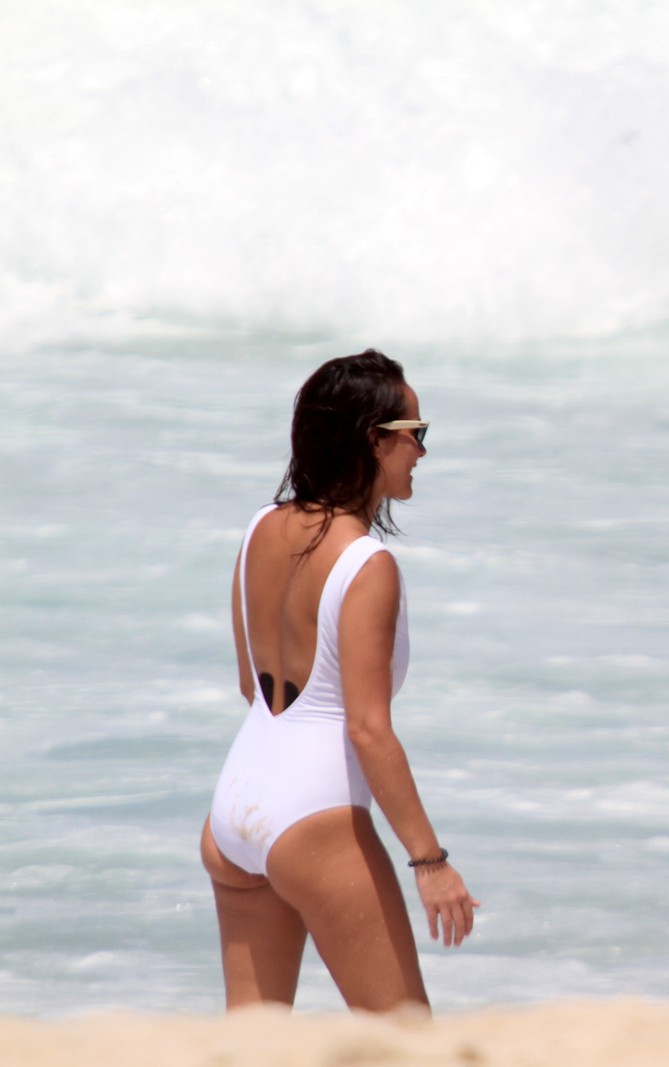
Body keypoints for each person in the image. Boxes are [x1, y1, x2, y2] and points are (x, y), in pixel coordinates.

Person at [198, 349, 479, 1014]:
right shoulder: (366, 563)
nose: (422, 451)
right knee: (405, 1044)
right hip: (314, 815)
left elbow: (252, 685)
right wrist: (429, 860)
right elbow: (367, 728)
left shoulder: (258, 529)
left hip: (237, 800)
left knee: (253, 1051)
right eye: (416, 432)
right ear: (373, 439)